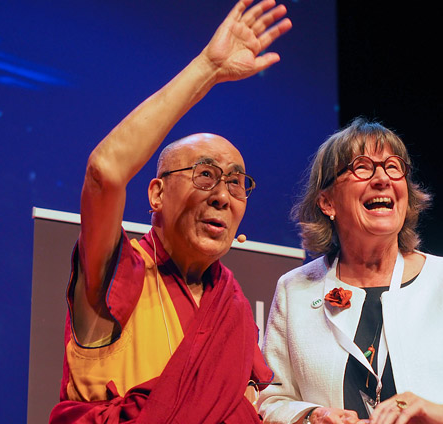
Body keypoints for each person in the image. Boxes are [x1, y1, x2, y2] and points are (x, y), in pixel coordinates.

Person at [48, 1, 292, 423]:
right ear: (157, 192)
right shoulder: (118, 275)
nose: (222, 196)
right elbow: (104, 173)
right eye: (204, 175)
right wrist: (208, 69)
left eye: (236, 183)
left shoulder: (230, 307)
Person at [258, 117, 443, 424]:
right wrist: (313, 416)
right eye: (361, 166)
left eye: (393, 167)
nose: (382, 179)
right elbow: (270, 398)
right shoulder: (296, 290)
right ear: (327, 202)